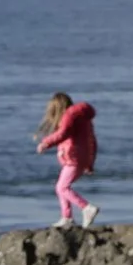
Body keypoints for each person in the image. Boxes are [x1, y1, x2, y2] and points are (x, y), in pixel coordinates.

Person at [33, 92, 100, 230]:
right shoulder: (83, 119)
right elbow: (92, 141)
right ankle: (67, 217)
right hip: (79, 158)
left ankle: (86, 207)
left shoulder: (69, 116)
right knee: (61, 187)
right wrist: (89, 162)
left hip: (73, 158)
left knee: (62, 187)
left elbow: (63, 133)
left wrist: (45, 143)